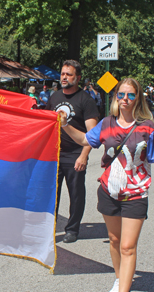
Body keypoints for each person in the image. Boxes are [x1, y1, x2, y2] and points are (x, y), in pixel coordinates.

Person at [58, 78, 154, 292]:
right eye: (121, 95)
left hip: (136, 194)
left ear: (138, 98)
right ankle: (120, 278)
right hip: (109, 191)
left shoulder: (147, 127)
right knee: (114, 240)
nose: (125, 99)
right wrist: (65, 123)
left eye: (130, 95)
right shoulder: (106, 124)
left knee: (128, 246)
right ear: (115, 98)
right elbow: (83, 140)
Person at [46, 60, 99, 243]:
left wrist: (83, 156)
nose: (64, 77)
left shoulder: (86, 100)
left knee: (76, 193)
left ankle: (72, 229)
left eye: (68, 74)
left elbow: (92, 135)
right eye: (62, 73)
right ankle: (48, 227)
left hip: (75, 154)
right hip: (54, 155)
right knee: (51, 194)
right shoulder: (54, 97)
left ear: (77, 77)